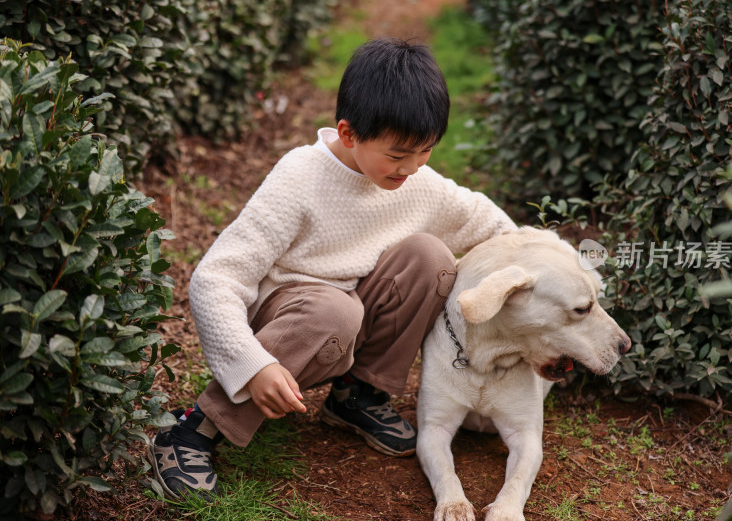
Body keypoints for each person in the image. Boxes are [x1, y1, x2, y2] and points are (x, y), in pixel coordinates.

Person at [147, 37, 517, 500]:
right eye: (399, 154)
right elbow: (214, 278)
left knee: (432, 258)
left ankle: (357, 395)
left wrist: (544, 269)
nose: (413, 167)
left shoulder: (416, 182)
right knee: (333, 310)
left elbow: (491, 225)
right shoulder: (299, 179)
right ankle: (193, 430)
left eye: (425, 151)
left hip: (346, 320)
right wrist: (251, 364)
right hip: (290, 325)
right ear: (348, 133)